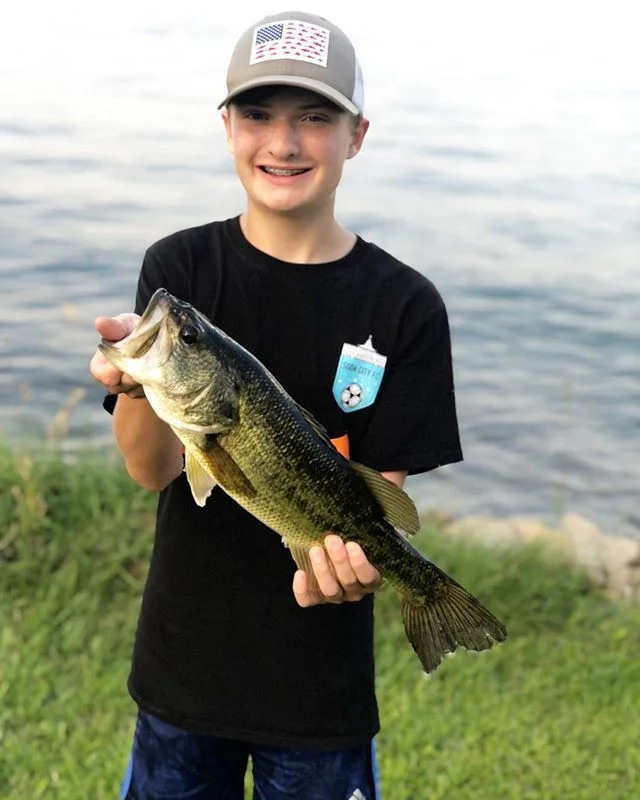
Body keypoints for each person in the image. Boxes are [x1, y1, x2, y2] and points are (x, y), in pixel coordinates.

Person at [90, 10, 463, 800]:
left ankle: (431, 596)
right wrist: (134, 383)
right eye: (258, 114)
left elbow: (380, 501)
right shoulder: (179, 268)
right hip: (181, 667)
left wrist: (361, 570)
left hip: (320, 690)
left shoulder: (405, 305)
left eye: (315, 118)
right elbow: (151, 471)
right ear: (227, 126)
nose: (284, 143)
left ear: (356, 134)